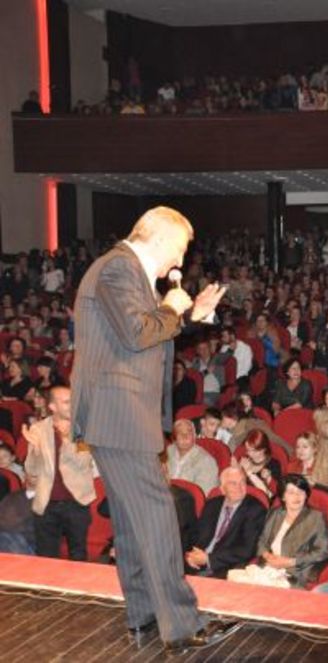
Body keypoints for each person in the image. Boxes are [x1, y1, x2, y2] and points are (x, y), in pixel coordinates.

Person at [70, 206, 235, 650]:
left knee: (131, 523)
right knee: (160, 516)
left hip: (117, 414)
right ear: (160, 237)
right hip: (119, 413)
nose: (178, 262)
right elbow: (137, 332)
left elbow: (142, 336)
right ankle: (182, 625)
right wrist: (172, 308)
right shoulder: (118, 269)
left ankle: (143, 615)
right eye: (179, 249)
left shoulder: (122, 271)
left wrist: (189, 315)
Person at [23, 386, 96, 561]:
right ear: (52, 406)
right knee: (46, 558)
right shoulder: (38, 430)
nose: (72, 405)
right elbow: (31, 471)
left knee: (78, 556)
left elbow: (83, 462)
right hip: (46, 502)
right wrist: (35, 451)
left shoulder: (82, 429)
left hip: (76, 502)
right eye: (66, 402)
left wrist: (66, 440)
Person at [234, 474, 328, 589]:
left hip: (293, 573)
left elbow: (322, 552)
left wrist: (290, 562)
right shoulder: (275, 513)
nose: (297, 496)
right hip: (268, 567)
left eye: (301, 492)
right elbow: (262, 540)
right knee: (235, 582)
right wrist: (267, 555)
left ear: (306, 495)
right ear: (283, 496)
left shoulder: (316, 517)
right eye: (291, 492)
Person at [185, 467, 267, 579]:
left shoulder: (255, 509)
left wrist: (209, 559)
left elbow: (247, 550)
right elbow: (195, 534)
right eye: (233, 483)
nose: (239, 487)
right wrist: (190, 555)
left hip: (226, 568)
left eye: (242, 482)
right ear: (222, 489)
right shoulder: (212, 505)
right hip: (197, 562)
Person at [167, 419, 220, 495]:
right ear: (174, 439)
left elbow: (201, 495)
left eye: (189, 432)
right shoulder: (167, 452)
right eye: (180, 433)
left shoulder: (207, 461)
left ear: (194, 436)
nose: (184, 436)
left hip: (187, 502)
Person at [237, 430, 282, 500]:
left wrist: (249, 472)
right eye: (247, 449)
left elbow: (271, 495)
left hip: (259, 502)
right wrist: (238, 469)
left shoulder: (273, 465)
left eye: (253, 451)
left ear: (263, 450)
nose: (248, 453)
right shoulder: (244, 460)